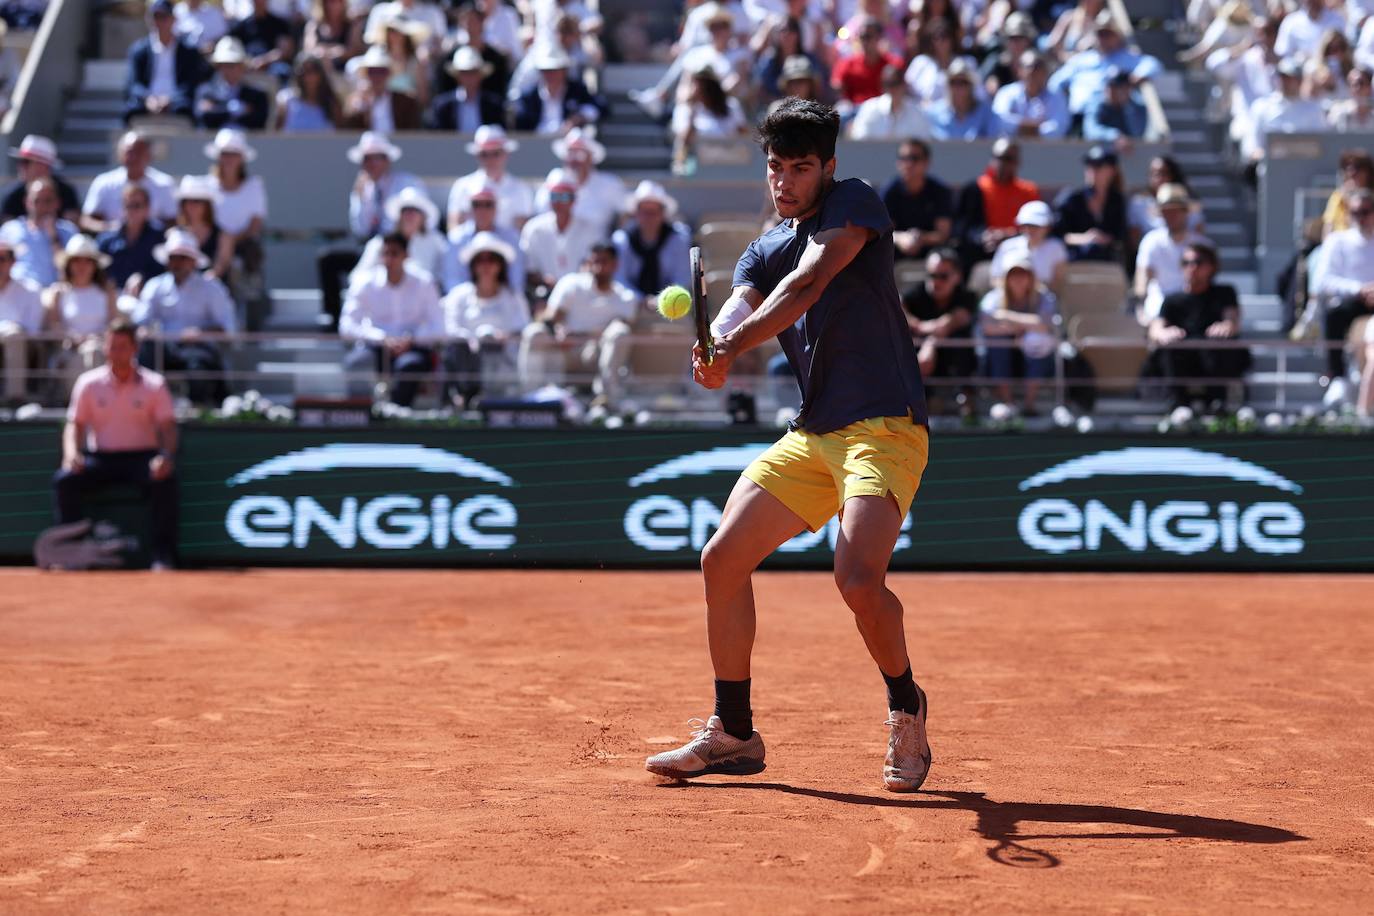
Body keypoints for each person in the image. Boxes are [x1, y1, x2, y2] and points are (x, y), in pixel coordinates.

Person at [642, 99, 933, 792]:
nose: (786, 181)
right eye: (776, 167)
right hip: (813, 434)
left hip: (884, 429)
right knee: (721, 560)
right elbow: (743, 301)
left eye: (801, 168)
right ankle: (735, 732)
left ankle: (906, 705)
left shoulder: (854, 204)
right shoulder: (764, 245)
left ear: (827, 167)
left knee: (858, 581)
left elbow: (807, 284)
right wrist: (714, 350)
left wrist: (733, 343)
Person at [52, 319, 180, 570]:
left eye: (122, 347)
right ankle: (72, 553)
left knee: (165, 480)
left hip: (143, 459)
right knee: (64, 480)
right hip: (101, 459)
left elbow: (168, 428)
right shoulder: (88, 383)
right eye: (111, 346)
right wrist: (71, 454)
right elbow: (74, 425)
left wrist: (165, 456)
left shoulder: (155, 384)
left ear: (134, 349)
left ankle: (162, 556)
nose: (115, 353)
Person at [317, 132, 424, 327]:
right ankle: (334, 316)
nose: (372, 163)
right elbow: (361, 228)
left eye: (377, 157)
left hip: (401, 247)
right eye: (367, 158)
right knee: (328, 260)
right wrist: (360, 199)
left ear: (387, 160)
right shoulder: (362, 188)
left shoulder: (406, 183)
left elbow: (412, 220)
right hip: (371, 247)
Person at [518, 242, 637, 407]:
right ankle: (531, 398)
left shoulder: (625, 298)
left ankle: (606, 399)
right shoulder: (572, 285)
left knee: (620, 332)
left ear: (615, 264)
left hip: (595, 355)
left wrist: (583, 337)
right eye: (595, 261)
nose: (598, 267)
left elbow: (621, 330)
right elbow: (549, 318)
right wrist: (558, 330)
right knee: (534, 332)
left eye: (604, 261)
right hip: (563, 352)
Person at [131, 228, 237, 406]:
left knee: (198, 368)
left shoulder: (212, 288)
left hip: (198, 349)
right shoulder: (155, 286)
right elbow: (141, 320)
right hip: (163, 348)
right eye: (173, 257)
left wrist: (200, 333)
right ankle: (141, 405)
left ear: (194, 261)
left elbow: (226, 327)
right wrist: (144, 332)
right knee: (145, 353)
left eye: (183, 258)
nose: (177, 263)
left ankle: (198, 412)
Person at [339, 231, 444, 407]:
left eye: (394, 253)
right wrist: (380, 338)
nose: (389, 260)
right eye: (385, 254)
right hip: (375, 348)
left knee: (409, 365)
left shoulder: (424, 282)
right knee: (356, 363)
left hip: (413, 349)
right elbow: (347, 325)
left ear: (406, 256)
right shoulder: (365, 283)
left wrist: (412, 339)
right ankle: (359, 417)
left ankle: (397, 417)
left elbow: (440, 327)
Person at [1148, 242, 1248, 412]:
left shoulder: (1224, 293)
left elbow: (1232, 320)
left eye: (1198, 262)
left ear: (1212, 267)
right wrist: (1163, 333)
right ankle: (1178, 404)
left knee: (1220, 344)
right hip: (1183, 361)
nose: (1191, 267)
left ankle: (1218, 401)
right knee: (1169, 349)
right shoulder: (1172, 300)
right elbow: (1155, 328)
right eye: (1186, 263)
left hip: (1213, 360)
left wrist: (1226, 326)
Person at [441, 231, 529, 405]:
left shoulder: (513, 297)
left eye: (492, 259)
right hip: (466, 361)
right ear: (473, 266)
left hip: (504, 363)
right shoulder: (458, 296)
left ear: (500, 265)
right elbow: (450, 328)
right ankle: (467, 396)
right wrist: (472, 341)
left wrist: (503, 338)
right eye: (481, 260)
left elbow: (523, 329)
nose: (486, 265)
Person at [980, 255, 1059, 417]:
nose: (1018, 279)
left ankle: (1029, 404)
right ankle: (1008, 403)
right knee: (997, 341)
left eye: (1023, 274)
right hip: (1002, 356)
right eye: (1013, 274)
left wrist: (1006, 317)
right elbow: (987, 327)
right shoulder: (994, 297)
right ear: (1006, 278)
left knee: (1037, 340)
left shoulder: (1044, 297)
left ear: (1031, 277)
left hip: (1037, 358)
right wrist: (1019, 330)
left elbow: (1044, 324)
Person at [1313, 188, 1374, 390]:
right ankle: (1336, 375)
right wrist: (1360, 289)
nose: (1361, 217)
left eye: (1366, 211)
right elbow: (1323, 280)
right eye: (1355, 212)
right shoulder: (1336, 241)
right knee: (1334, 315)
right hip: (1351, 301)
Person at [1048, 10, 1160, 120]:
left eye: (1107, 34)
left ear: (1117, 36)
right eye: (1100, 34)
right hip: (1078, 116)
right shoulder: (1082, 59)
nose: (1103, 38)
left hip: (1110, 117)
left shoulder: (1126, 58)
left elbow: (1153, 64)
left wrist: (1133, 78)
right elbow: (1055, 82)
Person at [901, 247, 976, 407]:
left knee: (959, 342)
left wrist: (930, 342)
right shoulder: (916, 294)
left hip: (952, 362)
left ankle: (966, 399)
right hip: (921, 364)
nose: (936, 281)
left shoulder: (966, 296)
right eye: (932, 275)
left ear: (957, 276)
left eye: (943, 276)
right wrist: (920, 328)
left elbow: (953, 321)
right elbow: (900, 312)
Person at [203, 128, 268, 315]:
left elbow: (255, 224)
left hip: (244, 247)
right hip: (211, 247)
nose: (229, 159)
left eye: (234, 154)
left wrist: (231, 241)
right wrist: (223, 243)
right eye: (225, 154)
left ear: (242, 158)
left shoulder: (254, 186)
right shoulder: (207, 184)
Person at [42, 235, 118, 390]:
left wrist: (97, 337)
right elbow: (53, 325)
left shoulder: (106, 292)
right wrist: (71, 337)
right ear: (69, 265)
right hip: (68, 349)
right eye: (77, 260)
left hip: (100, 348)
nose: (82, 266)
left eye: (87, 261)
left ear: (94, 265)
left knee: (94, 351)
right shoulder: (59, 292)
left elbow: (114, 325)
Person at [955, 139, 1040, 267]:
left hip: (1019, 254)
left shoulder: (1029, 191)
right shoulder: (975, 188)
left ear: (1017, 162)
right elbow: (962, 227)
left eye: (1008, 159)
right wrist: (982, 236)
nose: (1002, 163)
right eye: (999, 157)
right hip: (982, 253)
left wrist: (1008, 235)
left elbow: (1038, 226)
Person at [1134, 184, 1211, 323]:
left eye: (1176, 211)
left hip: (1192, 310)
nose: (1172, 216)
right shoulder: (1151, 241)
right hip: (1157, 310)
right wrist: (1140, 309)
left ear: (1185, 212)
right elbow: (1142, 279)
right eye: (1167, 211)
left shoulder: (1202, 244)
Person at [124, 0, 208, 123]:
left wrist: (170, 100)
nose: (159, 22)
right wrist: (148, 99)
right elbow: (134, 84)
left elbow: (190, 83)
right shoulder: (138, 50)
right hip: (147, 102)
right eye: (155, 17)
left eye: (163, 17)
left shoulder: (188, 51)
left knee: (185, 109)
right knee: (131, 110)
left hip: (177, 102)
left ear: (173, 19)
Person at [348, 186, 447, 289]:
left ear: (423, 217)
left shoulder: (437, 243)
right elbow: (358, 277)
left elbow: (444, 276)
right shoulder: (380, 243)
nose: (409, 214)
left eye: (415, 210)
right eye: (405, 210)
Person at [80, 131, 178, 235]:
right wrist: (111, 229)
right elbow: (86, 220)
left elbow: (172, 222)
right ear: (119, 155)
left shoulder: (164, 184)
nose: (133, 157)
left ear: (149, 156)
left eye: (138, 152)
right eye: (129, 152)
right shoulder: (103, 182)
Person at [535, 128, 627, 238]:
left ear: (591, 157)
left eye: (580, 154)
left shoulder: (610, 184)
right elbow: (540, 213)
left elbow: (627, 215)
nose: (574, 160)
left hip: (597, 251)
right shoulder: (555, 179)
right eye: (570, 153)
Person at [611, 180, 691, 307]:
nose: (649, 218)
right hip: (630, 306)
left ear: (663, 214)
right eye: (644, 212)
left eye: (653, 213)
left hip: (671, 305)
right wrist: (639, 299)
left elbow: (682, 278)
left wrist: (661, 300)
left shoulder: (678, 239)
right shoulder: (621, 239)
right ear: (636, 214)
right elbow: (619, 279)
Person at [447, 126, 534, 235]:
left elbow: (522, 232)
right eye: (484, 154)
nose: (490, 159)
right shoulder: (462, 186)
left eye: (495, 153)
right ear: (477, 156)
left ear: (506, 154)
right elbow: (455, 230)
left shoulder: (521, 189)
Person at [443, 184, 525, 293]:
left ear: (496, 208)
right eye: (477, 204)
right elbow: (452, 279)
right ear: (470, 208)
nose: (482, 210)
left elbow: (516, 280)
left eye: (488, 204)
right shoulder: (456, 239)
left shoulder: (512, 238)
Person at [520, 179, 596, 294]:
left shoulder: (588, 229)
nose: (558, 202)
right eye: (554, 196)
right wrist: (543, 280)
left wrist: (574, 283)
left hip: (580, 293)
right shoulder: (534, 228)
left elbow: (591, 263)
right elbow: (528, 267)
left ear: (573, 200)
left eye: (564, 197)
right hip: (543, 292)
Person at [881, 138, 952, 262]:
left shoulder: (939, 191)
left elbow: (943, 234)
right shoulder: (889, 191)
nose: (908, 164)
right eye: (903, 158)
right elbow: (884, 232)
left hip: (931, 249)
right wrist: (902, 238)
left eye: (914, 158)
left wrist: (921, 238)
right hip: (897, 249)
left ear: (927, 162)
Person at [1053, 145, 1127, 263]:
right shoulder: (1071, 198)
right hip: (1073, 264)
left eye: (1098, 165)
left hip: (1107, 266)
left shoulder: (1117, 201)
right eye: (1089, 165)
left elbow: (1120, 236)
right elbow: (1055, 235)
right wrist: (1084, 239)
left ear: (1112, 170)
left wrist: (1105, 239)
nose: (1092, 170)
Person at [0, 178, 79, 288]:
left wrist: (54, 237)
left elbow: (71, 270)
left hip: (54, 294)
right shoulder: (10, 229)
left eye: (47, 201)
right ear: (27, 202)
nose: (42, 206)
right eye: (36, 201)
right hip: (18, 293)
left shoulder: (68, 230)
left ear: (57, 203)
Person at [671, 67, 749, 173]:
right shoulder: (684, 109)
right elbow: (684, 142)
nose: (699, 89)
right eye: (696, 84)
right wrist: (692, 114)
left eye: (705, 84)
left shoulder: (731, 106)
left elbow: (744, 136)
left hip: (729, 161)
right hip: (696, 163)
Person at [511, 48, 605, 135]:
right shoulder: (530, 97)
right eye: (546, 71)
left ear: (564, 71)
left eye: (555, 70)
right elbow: (521, 126)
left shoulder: (576, 91)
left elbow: (601, 106)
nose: (551, 75)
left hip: (569, 146)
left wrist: (580, 116)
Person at [97, 184, 166, 296]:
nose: (131, 210)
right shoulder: (107, 239)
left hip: (149, 298)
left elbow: (165, 271)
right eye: (128, 206)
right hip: (112, 299)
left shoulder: (159, 237)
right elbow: (97, 271)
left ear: (147, 208)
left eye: (137, 205)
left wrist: (143, 277)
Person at [192, 36, 270, 131]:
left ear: (242, 67)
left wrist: (217, 109)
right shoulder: (207, 92)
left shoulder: (257, 95)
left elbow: (259, 121)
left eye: (231, 65)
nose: (227, 70)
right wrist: (233, 110)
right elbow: (204, 116)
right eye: (222, 65)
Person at [341, 46, 424, 131]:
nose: (377, 77)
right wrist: (359, 109)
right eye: (372, 71)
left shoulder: (406, 101)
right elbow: (348, 132)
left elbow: (413, 134)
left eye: (381, 71)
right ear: (367, 74)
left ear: (389, 74)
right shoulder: (356, 102)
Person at [2, 135, 81, 223]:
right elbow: (7, 228)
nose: (20, 166)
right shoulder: (13, 196)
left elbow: (73, 224)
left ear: (44, 166)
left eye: (26, 162)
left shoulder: (66, 192)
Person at [0, 237, 42, 402]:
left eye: (2, 259)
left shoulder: (31, 289)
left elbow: (33, 330)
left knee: (14, 336)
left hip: (27, 349)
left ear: (13, 262)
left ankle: (14, 399)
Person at [993, 51, 1070, 140]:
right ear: (1019, 71)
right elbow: (999, 121)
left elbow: (1058, 129)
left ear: (1045, 71)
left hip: (1045, 151)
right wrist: (1036, 125)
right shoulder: (1006, 92)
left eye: (1037, 67)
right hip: (1010, 149)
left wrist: (1020, 127)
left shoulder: (1056, 95)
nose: (1032, 71)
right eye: (1028, 67)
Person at [991, 201, 1068, 290]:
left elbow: (1058, 280)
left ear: (1047, 227)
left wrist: (1035, 294)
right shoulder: (1007, 246)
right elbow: (995, 278)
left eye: (1035, 226)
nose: (1029, 230)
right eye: (1026, 225)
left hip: (1042, 300)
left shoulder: (1056, 247)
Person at [425, 46, 504, 131]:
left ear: (480, 75)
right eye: (464, 73)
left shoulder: (494, 105)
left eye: (473, 72)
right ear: (457, 76)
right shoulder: (443, 106)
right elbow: (437, 137)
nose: (469, 78)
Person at [830, 15, 902, 109]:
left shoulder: (893, 63)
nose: (864, 42)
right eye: (862, 37)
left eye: (868, 37)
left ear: (879, 38)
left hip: (883, 111)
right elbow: (836, 85)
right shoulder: (847, 63)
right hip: (854, 111)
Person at [848, 64, 931, 141]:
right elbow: (859, 141)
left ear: (904, 85)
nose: (892, 89)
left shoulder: (916, 112)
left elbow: (924, 142)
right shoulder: (869, 109)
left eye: (896, 83)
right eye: (888, 84)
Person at [174, 175, 233, 281]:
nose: (192, 205)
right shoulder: (174, 234)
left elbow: (222, 264)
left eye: (197, 200)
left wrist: (204, 284)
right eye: (188, 200)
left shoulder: (223, 236)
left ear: (207, 205)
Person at [928, 61, 1005, 141]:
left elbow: (994, 143)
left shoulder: (987, 113)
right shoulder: (933, 114)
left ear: (971, 85)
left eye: (963, 82)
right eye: (953, 82)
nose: (958, 87)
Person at [229, 0, 295, 84]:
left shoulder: (279, 24)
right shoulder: (241, 26)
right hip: (247, 67)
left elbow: (284, 51)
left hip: (271, 66)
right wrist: (248, 63)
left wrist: (263, 61)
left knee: (283, 70)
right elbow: (232, 49)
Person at [1083, 67, 1148, 148]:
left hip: (1128, 154)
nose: (1111, 91)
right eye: (1109, 86)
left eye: (1117, 87)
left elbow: (1137, 133)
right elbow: (1090, 131)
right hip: (1100, 153)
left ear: (1128, 89)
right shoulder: (1096, 103)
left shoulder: (1138, 107)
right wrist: (1115, 135)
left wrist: (1126, 106)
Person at [276, 53, 341, 131]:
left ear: (321, 74)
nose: (308, 76)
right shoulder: (285, 99)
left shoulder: (332, 102)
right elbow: (276, 133)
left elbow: (341, 133)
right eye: (303, 71)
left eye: (313, 71)